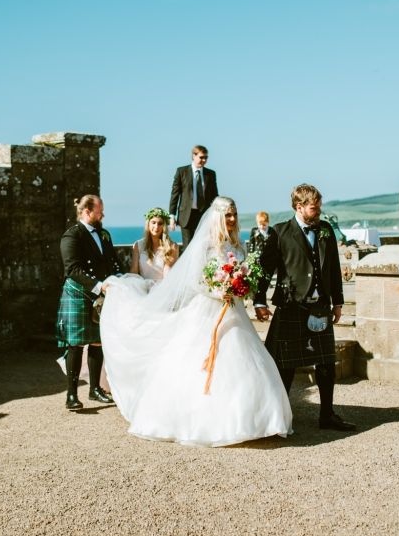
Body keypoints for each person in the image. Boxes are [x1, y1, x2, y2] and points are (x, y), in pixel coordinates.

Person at [99, 197, 292, 447]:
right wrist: (217, 291)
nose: (233, 219)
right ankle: (204, 420)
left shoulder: (238, 244)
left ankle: (258, 419)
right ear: (217, 218)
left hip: (233, 311)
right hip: (206, 309)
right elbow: (193, 281)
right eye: (228, 215)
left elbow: (245, 274)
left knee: (245, 359)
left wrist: (241, 288)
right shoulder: (205, 246)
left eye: (234, 214)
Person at [254, 183, 355, 432]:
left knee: (325, 363)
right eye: (314, 207)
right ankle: (281, 416)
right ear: (299, 207)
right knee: (286, 364)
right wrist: (258, 300)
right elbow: (265, 269)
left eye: (319, 205)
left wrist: (337, 301)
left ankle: (327, 415)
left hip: (320, 305)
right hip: (291, 306)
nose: (319, 210)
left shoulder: (326, 231)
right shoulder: (280, 232)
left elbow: (332, 266)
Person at [56, 195, 123, 410]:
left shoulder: (103, 234)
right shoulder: (72, 235)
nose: (102, 214)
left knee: (97, 341)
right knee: (75, 344)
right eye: (99, 211)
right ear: (87, 211)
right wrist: (98, 285)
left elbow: (113, 261)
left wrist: (120, 279)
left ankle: (95, 389)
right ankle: (71, 395)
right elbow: (72, 269)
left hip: (98, 295)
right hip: (77, 293)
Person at [168, 145, 218, 248]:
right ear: (193, 156)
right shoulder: (181, 172)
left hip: (204, 216)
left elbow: (215, 196)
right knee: (188, 247)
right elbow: (175, 194)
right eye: (201, 157)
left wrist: (218, 214)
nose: (204, 160)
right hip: (186, 216)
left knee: (203, 246)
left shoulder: (211, 174)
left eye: (206, 158)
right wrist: (172, 215)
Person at [131, 207, 179, 282]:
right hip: (142, 287)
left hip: (162, 287)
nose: (156, 227)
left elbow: (168, 273)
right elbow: (134, 272)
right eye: (153, 222)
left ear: (164, 226)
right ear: (148, 224)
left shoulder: (172, 246)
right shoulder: (138, 245)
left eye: (160, 223)